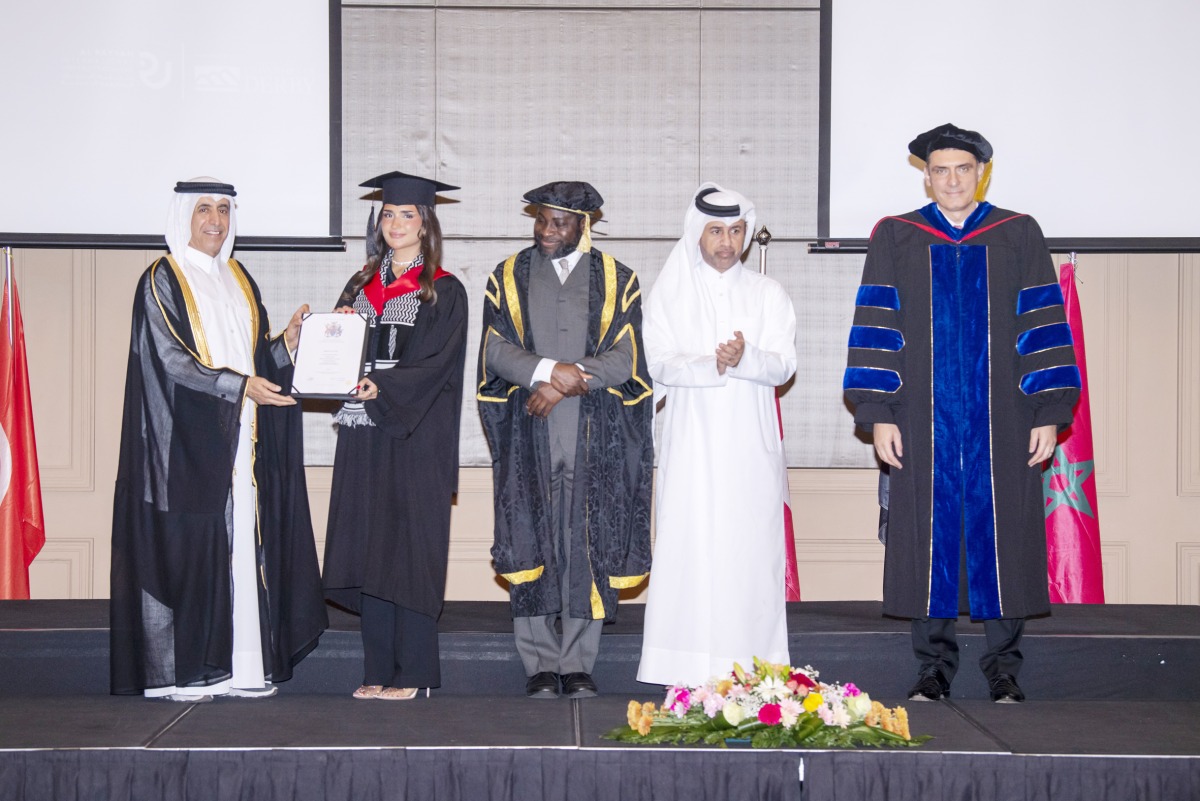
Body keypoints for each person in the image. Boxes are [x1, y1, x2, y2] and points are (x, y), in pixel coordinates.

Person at [843, 123, 1081, 704]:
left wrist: (1048, 411)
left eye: (963, 169)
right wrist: (878, 412)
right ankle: (933, 668)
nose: (952, 180)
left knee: (1007, 535)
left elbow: (1042, 324)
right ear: (926, 176)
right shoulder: (897, 236)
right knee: (928, 538)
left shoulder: (1017, 233)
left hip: (1004, 419)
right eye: (941, 170)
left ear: (982, 173)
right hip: (921, 419)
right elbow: (877, 325)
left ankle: (1003, 669)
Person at [110, 178, 328, 701]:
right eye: (204, 209)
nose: (215, 220)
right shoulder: (162, 278)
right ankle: (186, 674)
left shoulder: (239, 279)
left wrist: (287, 343)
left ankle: (241, 669)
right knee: (191, 554)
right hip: (182, 449)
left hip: (240, 442)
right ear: (184, 216)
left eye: (224, 210)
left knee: (240, 550)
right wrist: (239, 386)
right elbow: (169, 360)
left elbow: (255, 359)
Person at [477, 181, 654, 699]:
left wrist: (564, 382)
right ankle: (538, 663)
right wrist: (546, 371)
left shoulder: (618, 279)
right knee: (529, 538)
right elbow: (494, 350)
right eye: (541, 220)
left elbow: (626, 358)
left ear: (584, 225)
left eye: (559, 223)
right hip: (529, 434)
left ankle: (577, 662)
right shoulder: (507, 276)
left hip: (593, 435)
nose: (547, 231)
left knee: (585, 543)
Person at [637, 183, 796, 687]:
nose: (727, 242)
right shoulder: (670, 293)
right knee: (691, 549)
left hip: (751, 447)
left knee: (749, 554)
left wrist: (747, 358)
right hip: (693, 445)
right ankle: (683, 670)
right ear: (697, 234)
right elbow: (657, 363)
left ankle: (753, 669)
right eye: (715, 231)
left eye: (735, 231)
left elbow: (784, 364)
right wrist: (714, 364)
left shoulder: (768, 294)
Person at [322, 171, 467, 700]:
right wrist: (336, 332)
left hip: (415, 434)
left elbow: (435, 365)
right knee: (370, 548)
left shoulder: (443, 289)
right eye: (388, 214)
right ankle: (377, 668)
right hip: (364, 432)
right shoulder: (360, 284)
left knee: (408, 549)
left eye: (408, 215)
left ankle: (415, 673)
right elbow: (337, 353)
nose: (397, 223)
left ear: (425, 224)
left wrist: (380, 385)